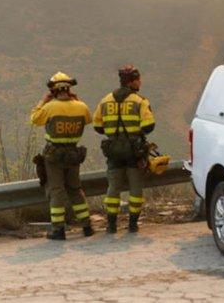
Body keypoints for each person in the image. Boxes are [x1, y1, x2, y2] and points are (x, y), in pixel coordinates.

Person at [30, 72, 93, 240]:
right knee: (75, 190)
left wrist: (43, 102)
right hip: (73, 154)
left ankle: (59, 229)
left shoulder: (50, 107)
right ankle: (87, 225)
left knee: (56, 191)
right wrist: (77, 100)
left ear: (54, 91)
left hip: (54, 156)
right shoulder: (81, 106)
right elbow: (88, 119)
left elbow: (34, 119)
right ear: (69, 89)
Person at [93, 65, 156, 233]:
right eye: (138, 79)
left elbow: (98, 127)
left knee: (113, 187)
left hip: (113, 150)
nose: (140, 82)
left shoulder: (105, 100)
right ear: (133, 81)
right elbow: (149, 126)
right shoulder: (140, 101)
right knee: (135, 188)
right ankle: (132, 225)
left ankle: (111, 225)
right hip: (134, 151)